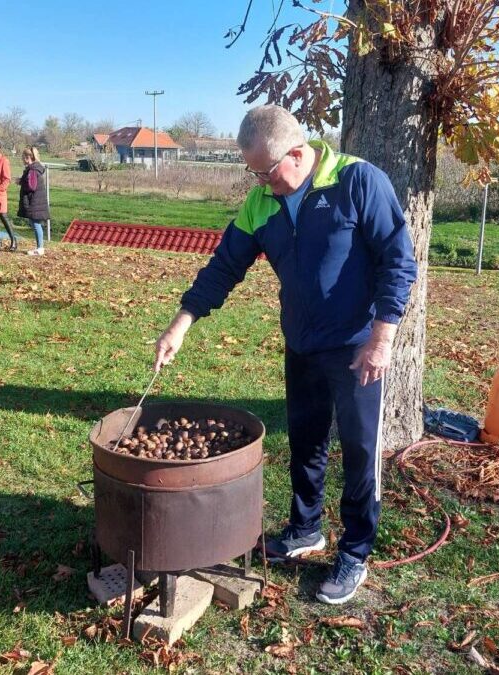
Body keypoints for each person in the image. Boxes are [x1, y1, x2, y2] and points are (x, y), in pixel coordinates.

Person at [153, 105, 418, 605]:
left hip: (357, 347)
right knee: (306, 442)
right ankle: (305, 529)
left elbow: (398, 261)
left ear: (297, 153)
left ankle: (355, 551)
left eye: (265, 171)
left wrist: (381, 340)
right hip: (302, 344)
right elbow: (224, 266)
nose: (260, 182)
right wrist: (181, 323)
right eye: (252, 172)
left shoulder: (357, 181)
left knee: (361, 453)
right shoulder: (261, 204)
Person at [17, 146, 49, 256]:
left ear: (28, 157)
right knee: (35, 223)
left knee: (36, 224)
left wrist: (21, 182)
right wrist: (22, 180)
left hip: (34, 201)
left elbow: (31, 186)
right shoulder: (34, 168)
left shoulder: (33, 170)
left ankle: (40, 248)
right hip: (36, 200)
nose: (22, 159)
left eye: (23, 157)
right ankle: (39, 247)